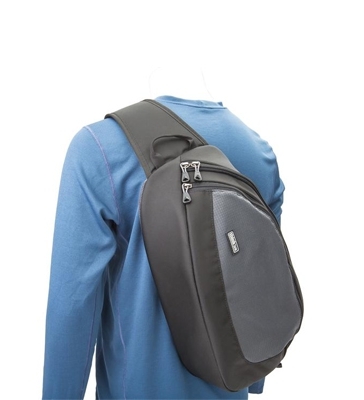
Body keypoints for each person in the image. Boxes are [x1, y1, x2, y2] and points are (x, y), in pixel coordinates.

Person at [42, 92, 285, 399]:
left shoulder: (97, 147)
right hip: (230, 386)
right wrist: (253, 379)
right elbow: (263, 286)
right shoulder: (260, 153)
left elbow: (72, 302)